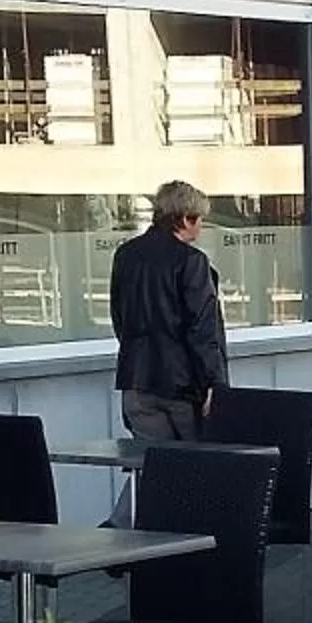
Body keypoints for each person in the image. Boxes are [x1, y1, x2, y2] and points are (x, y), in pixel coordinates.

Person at [109, 181, 230, 445]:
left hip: (136, 382)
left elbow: (119, 318)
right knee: (195, 471)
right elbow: (202, 330)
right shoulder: (191, 261)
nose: (201, 227)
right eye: (199, 220)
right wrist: (215, 384)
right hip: (183, 387)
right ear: (185, 219)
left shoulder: (126, 255)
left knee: (153, 470)